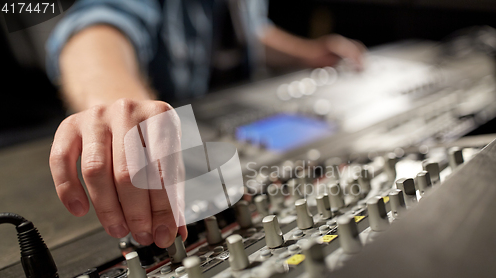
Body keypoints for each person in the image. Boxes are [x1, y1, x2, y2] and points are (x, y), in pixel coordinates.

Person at [46, 0, 365, 249]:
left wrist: (309, 53)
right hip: (168, 157)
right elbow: (96, 26)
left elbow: (251, 30)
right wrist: (115, 105)